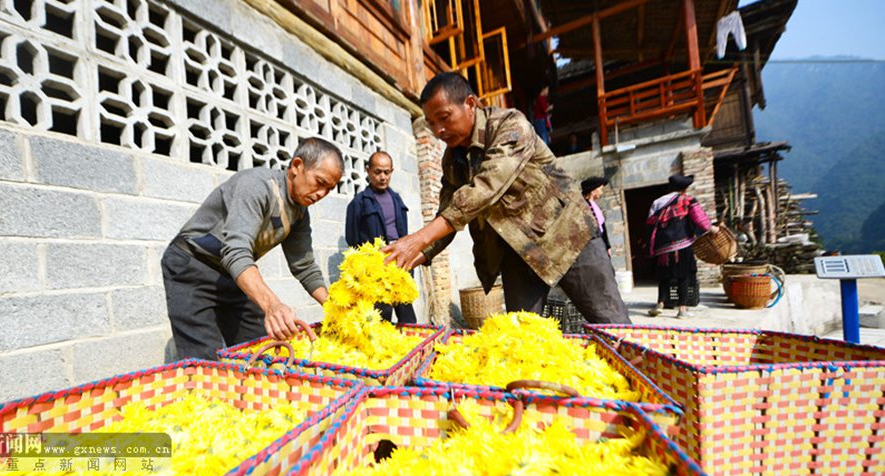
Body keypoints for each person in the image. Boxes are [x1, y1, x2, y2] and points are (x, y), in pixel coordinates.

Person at [384, 72, 630, 324]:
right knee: (519, 338)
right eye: (431, 123)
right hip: (517, 254)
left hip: (568, 238)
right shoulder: (452, 160)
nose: (439, 130)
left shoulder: (510, 125)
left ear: (470, 104)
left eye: (444, 118)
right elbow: (447, 212)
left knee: (613, 327)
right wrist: (414, 256)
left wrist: (416, 239)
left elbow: (484, 189)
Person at [161, 137, 343, 359]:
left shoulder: (300, 213)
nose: (322, 194)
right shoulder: (257, 186)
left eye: (329, 189)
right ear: (297, 166)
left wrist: (334, 308)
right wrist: (272, 304)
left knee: (262, 351)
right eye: (319, 182)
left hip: (231, 274)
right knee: (205, 361)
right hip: (191, 266)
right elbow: (236, 251)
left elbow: (304, 266)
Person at [345, 150, 416, 324]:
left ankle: (412, 340)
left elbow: (403, 232)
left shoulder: (397, 199)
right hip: (375, 266)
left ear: (391, 171)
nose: (383, 177)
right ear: (368, 170)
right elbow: (352, 238)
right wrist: (368, 262)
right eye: (378, 172)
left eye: (387, 172)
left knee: (407, 312)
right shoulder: (359, 202)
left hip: (399, 261)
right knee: (381, 315)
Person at [645, 174, 720, 319]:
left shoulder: (658, 202)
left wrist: (653, 244)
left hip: (663, 246)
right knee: (683, 276)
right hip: (682, 244)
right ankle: (682, 309)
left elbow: (650, 223)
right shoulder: (688, 200)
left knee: (664, 276)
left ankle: (659, 305)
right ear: (684, 189)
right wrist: (712, 229)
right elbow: (700, 219)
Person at [580, 176, 611, 257]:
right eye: (600, 189)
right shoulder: (585, 207)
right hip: (593, 247)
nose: (601, 192)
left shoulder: (596, 206)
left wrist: (607, 246)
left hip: (601, 244)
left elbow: (603, 227)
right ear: (593, 191)